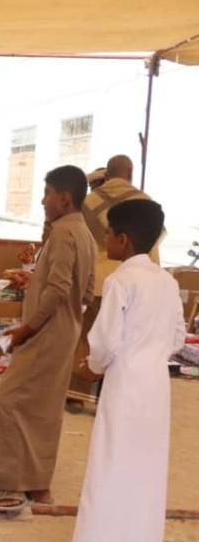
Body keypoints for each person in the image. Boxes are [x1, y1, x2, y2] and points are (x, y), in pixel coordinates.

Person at [46, 200, 185, 542]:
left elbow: (105, 341)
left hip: (125, 383)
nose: (105, 240)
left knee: (108, 468)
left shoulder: (120, 281)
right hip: (155, 387)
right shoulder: (167, 282)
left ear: (123, 239)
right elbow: (177, 337)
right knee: (142, 470)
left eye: (108, 234)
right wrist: (150, 352)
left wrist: (91, 366)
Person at [0, 165, 96, 513]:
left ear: (64, 198)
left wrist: (29, 327)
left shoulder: (65, 233)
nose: (42, 201)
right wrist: (39, 285)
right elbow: (85, 291)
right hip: (65, 330)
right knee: (43, 408)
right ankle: (39, 485)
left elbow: (59, 288)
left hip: (47, 331)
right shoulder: (84, 233)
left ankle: (13, 484)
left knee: (9, 402)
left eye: (47, 194)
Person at [69, 154, 159, 405]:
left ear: (107, 175)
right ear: (130, 173)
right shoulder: (145, 202)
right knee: (123, 340)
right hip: (135, 282)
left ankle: (76, 394)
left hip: (95, 280)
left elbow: (77, 241)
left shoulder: (87, 202)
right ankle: (107, 396)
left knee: (87, 337)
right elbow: (152, 244)